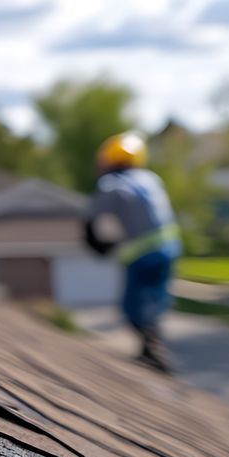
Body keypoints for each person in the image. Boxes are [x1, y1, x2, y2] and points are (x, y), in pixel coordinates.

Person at [83, 131, 182, 374]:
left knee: (132, 306)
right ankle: (152, 346)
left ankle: (152, 349)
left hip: (142, 253)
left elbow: (92, 219)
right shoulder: (151, 179)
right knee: (156, 302)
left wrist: (95, 242)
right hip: (170, 247)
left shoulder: (111, 184)